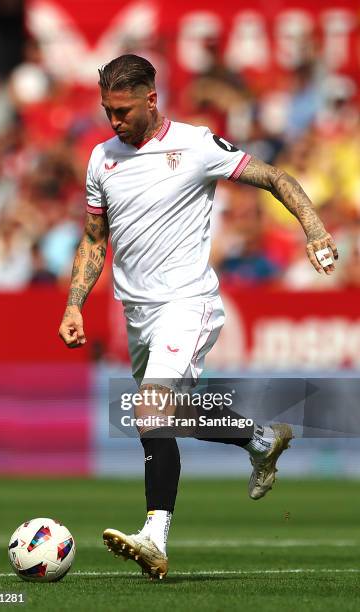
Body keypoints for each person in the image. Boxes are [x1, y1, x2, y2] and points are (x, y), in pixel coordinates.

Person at [58, 55, 338, 580]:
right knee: (167, 417)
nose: (113, 122)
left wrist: (315, 229)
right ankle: (258, 439)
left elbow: (274, 177)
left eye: (122, 110)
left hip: (188, 304)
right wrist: (75, 301)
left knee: (150, 409)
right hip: (137, 312)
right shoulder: (101, 158)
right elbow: (95, 239)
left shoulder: (196, 145)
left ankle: (155, 536)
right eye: (106, 111)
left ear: (151, 98)